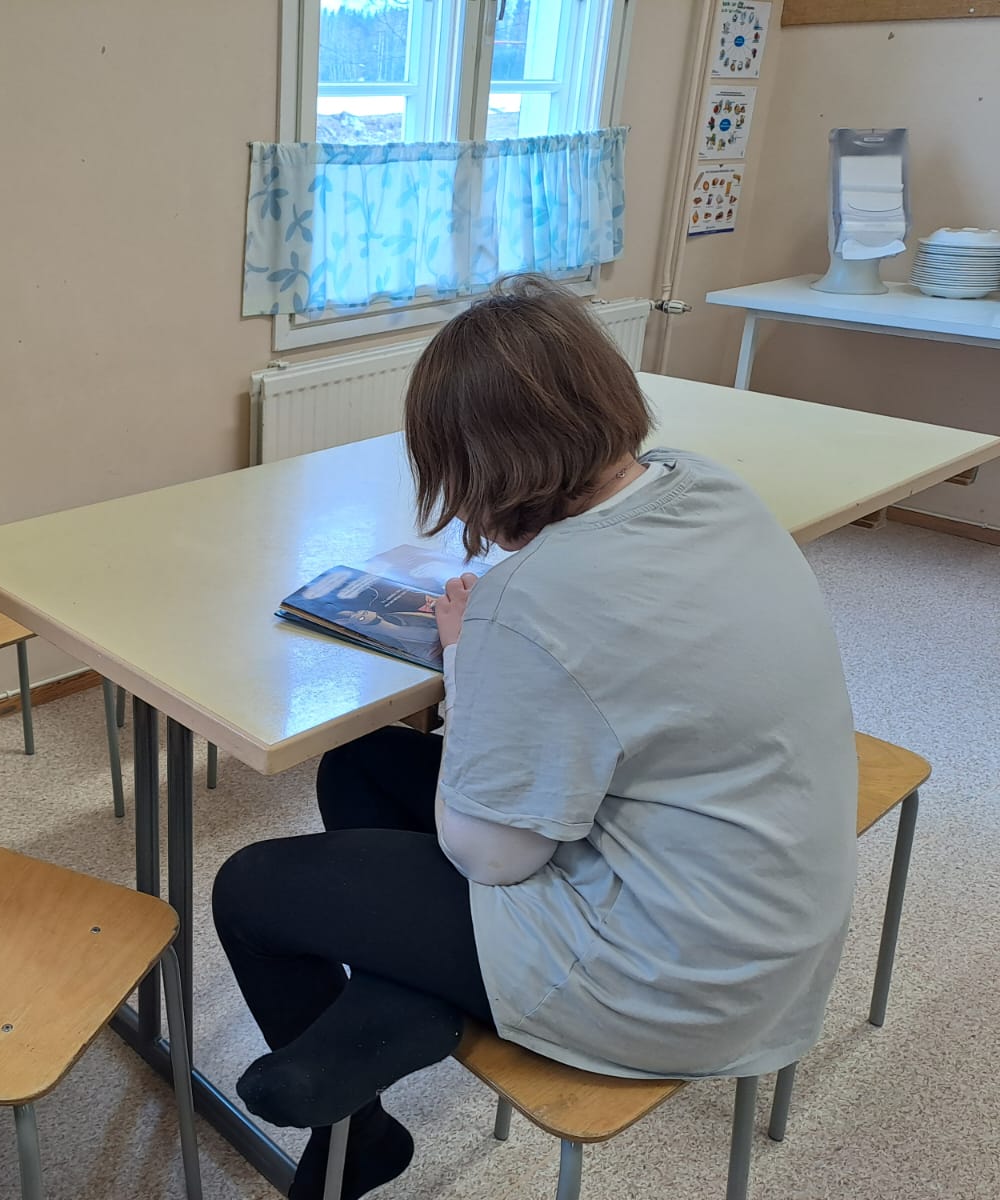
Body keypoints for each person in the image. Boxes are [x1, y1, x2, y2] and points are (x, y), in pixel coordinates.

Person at [212, 275, 858, 1199]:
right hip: (765, 921)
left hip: (670, 983)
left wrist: (469, 659)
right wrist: (492, 647)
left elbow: (493, 856)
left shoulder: (535, 600)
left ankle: (359, 1134)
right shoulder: (710, 488)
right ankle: (405, 1004)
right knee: (362, 767)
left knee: (251, 888)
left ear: (480, 466)